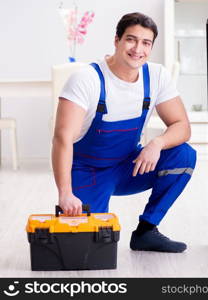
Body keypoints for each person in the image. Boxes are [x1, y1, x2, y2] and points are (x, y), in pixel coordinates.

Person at [52, 12, 196, 253]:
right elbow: (62, 138)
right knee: (84, 249)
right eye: (131, 39)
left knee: (184, 155)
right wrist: (65, 193)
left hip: (129, 164)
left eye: (146, 43)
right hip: (88, 171)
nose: (138, 49)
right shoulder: (86, 79)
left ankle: (146, 231)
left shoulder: (156, 76)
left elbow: (183, 126)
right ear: (117, 40)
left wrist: (156, 143)